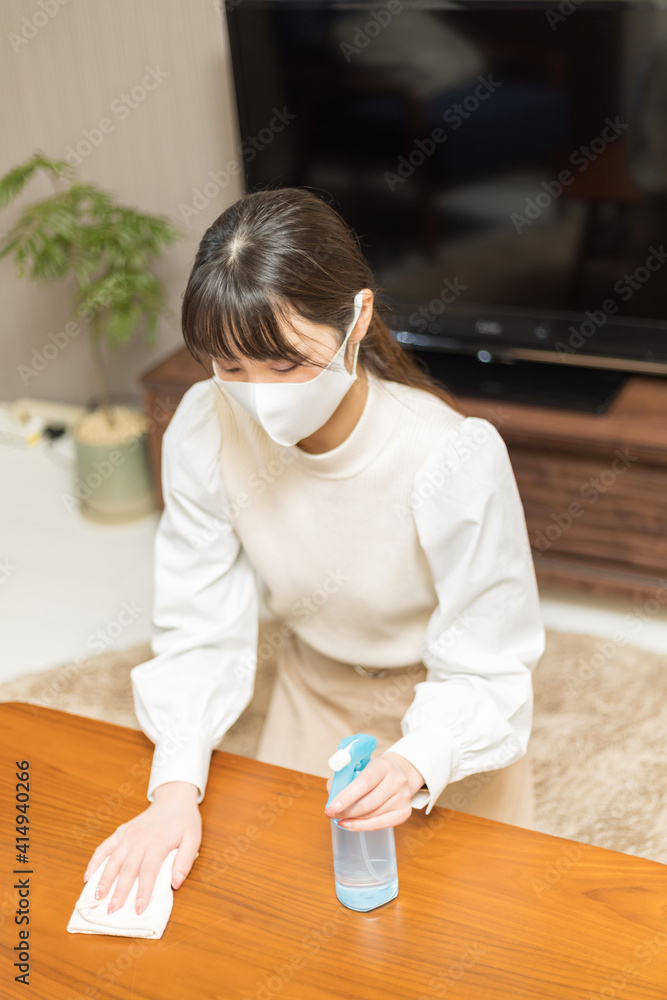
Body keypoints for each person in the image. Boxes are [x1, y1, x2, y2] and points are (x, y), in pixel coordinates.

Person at [82, 186, 545, 917]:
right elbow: (198, 628)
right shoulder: (205, 425)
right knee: (277, 912)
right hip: (314, 689)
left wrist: (418, 760)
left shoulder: (449, 454)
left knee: (470, 926)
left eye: (285, 364)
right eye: (230, 367)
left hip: (441, 703)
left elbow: (490, 662)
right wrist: (172, 793)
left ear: (357, 319)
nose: (259, 398)